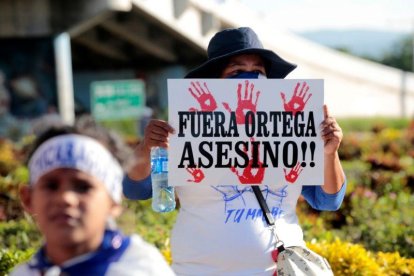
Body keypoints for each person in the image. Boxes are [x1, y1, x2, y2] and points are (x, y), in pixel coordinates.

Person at [123, 27, 346, 275]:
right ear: (213, 80)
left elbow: (329, 199)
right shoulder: (184, 128)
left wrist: (329, 152)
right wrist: (147, 147)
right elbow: (135, 189)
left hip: (276, 270)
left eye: (258, 71)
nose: (248, 79)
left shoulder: (293, 127)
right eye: (237, 71)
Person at [12, 116, 175, 275]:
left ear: (114, 201)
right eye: (51, 186)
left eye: (83, 187)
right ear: (28, 198)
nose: (65, 198)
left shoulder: (142, 270)